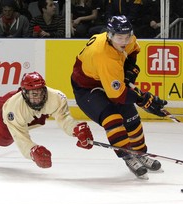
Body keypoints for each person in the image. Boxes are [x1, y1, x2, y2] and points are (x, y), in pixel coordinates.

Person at [70, 15, 168, 179]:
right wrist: (143, 99)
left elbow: (134, 51)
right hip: (86, 88)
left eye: (126, 36)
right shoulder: (104, 56)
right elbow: (117, 96)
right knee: (112, 118)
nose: (123, 41)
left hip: (106, 79)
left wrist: (129, 71)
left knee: (131, 118)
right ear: (109, 35)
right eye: (119, 37)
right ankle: (128, 156)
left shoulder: (127, 40)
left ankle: (140, 153)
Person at [0, 71, 94, 169]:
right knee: (2, 139)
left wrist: (77, 129)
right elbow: (21, 138)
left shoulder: (56, 98)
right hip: (4, 110)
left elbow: (63, 118)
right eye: (33, 94)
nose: (37, 98)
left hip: (19, 106)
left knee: (38, 117)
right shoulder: (13, 109)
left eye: (40, 93)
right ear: (24, 93)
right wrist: (33, 151)